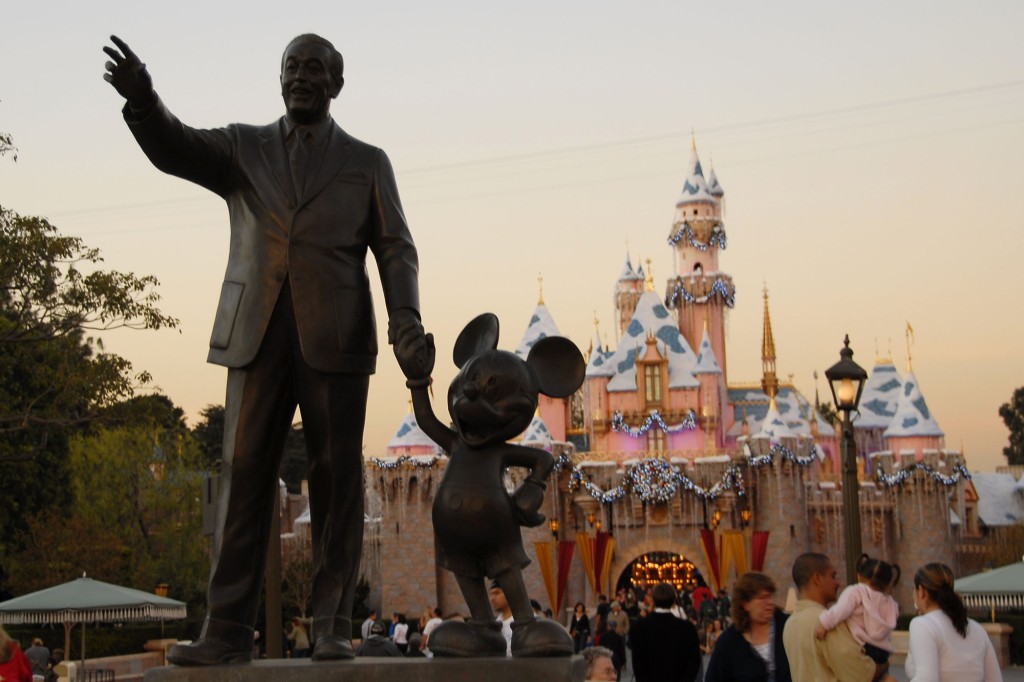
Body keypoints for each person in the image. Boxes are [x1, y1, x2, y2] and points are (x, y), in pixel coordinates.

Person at [103, 32, 424, 666]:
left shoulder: (367, 161)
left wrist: (406, 322)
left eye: (314, 69)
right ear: (279, 79)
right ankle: (225, 628)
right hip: (255, 330)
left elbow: (395, 248)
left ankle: (332, 624)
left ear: (336, 83)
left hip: (336, 337)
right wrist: (143, 102)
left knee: (335, 480)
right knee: (244, 474)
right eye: (291, 68)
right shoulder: (241, 147)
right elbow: (176, 146)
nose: (301, 77)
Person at [782, 552, 894, 682]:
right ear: (817, 578)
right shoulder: (827, 622)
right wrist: (884, 664)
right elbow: (861, 675)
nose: (838, 583)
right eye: (833, 576)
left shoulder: (790, 624)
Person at [905, 562, 1002, 682]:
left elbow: (926, 678)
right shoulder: (977, 628)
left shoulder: (923, 625)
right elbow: (995, 679)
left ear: (921, 591)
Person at [815, 553, 900, 668]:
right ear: (888, 583)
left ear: (859, 576)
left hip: (862, 647)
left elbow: (841, 610)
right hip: (882, 651)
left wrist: (824, 624)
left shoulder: (856, 591)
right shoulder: (890, 602)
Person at [704, 572, 791, 682]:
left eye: (770, 596)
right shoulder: (729, 642)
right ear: (745, 604)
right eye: (762, 598)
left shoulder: (788, 627)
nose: (769, 602)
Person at [629, 582, 701, 682]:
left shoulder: (639, 628)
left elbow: (638, 664)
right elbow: (694, 662)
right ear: (673, 601)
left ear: (653, 600)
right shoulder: (687, 628)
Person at [489, 581, 514, 657]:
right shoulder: (495, 624)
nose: (492, 599)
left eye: (497, 593)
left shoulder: (524, 620)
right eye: (491, 594)